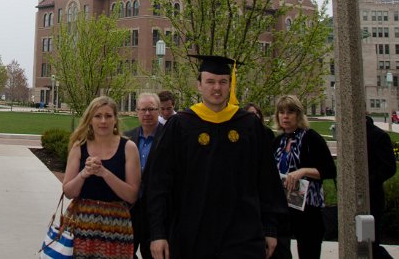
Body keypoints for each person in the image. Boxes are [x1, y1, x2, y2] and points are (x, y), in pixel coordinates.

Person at [147, 55, 286, 259]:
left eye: (223, 82)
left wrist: (270, 228)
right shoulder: (180, 125)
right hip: (192, 232)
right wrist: (158, 232)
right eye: (210, 81)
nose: (217, 88)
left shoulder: (249, 125)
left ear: (230, 85)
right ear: (199, 85)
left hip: (243, 232)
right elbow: (159, 182)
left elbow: (267, 179)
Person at [63, 96, 140, 258]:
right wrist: (84, 174)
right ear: (90, 120)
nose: (103, 121)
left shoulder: (128, 148)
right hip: (81, 223)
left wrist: (104, 173)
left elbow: (132, 195)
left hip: (116, 225)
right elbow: (68, 192)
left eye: (108, 116)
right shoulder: (79, 147)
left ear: (115, 120)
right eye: (98, 116)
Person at [273, 94, 336, 259]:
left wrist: (303, 171)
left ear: (298, 115)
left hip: (308, 209)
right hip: (283, 208)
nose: (285, 116)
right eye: (282, 112)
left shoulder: (310, 138)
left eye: (290, 112)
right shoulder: (278, 141)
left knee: (308, 252)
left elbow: (329, 170)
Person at [123, 93, 164, 259]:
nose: (147, 113)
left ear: (159, 110)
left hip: (157, 211)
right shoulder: (126, 138)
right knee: (125, 252)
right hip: (131, 209)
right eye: (143, 109)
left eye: (151, 109)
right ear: (137, 111)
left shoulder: (168, 137)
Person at [365, 115, 397, 259]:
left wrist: (367, 182)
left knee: (370, 243)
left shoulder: (378, 136)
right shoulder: (347, 134)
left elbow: (389, 167)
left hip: (372, 197)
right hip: (351, 195)